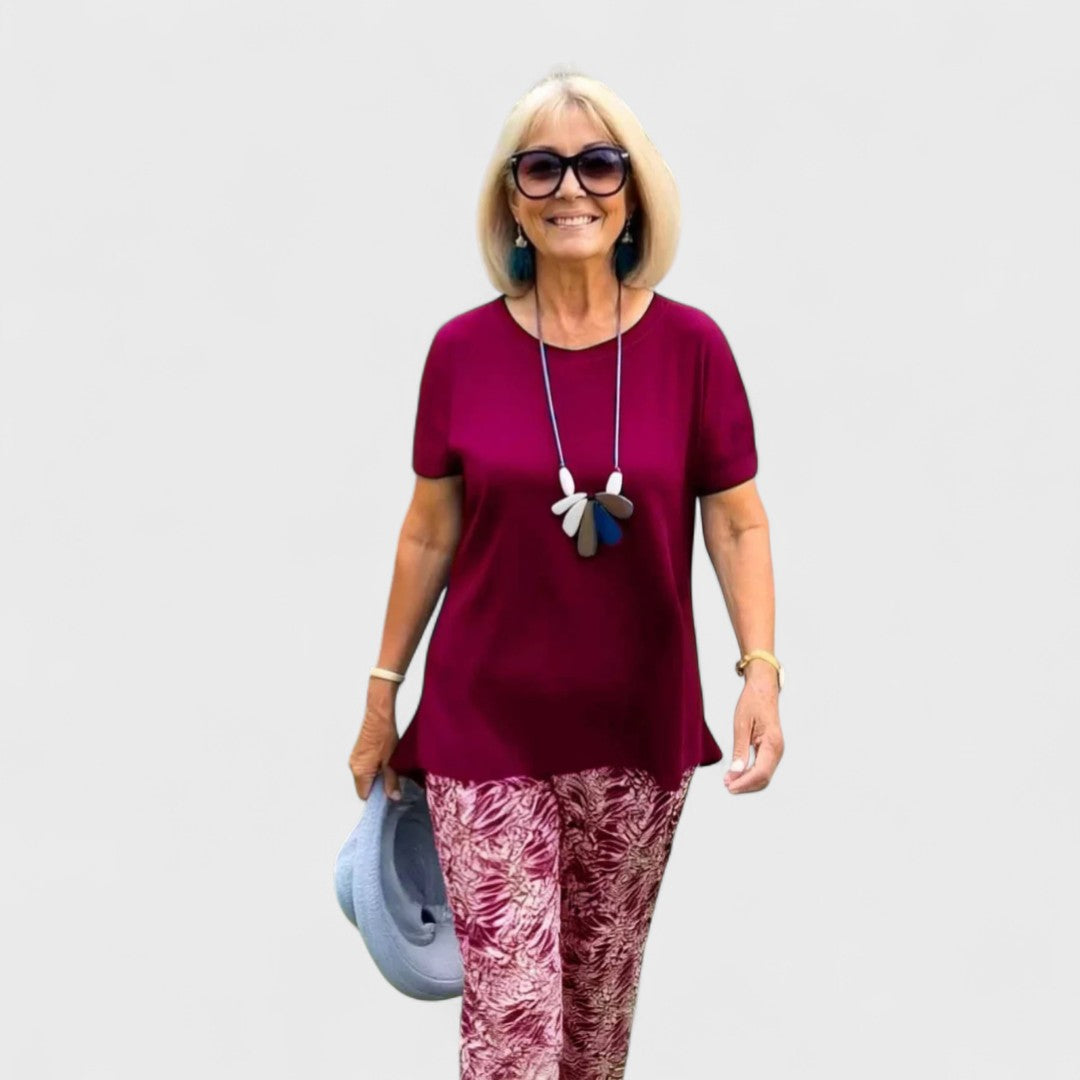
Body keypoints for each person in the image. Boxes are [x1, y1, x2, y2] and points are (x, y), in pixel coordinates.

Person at [348, 68, 785, 1080]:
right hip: (482, 729)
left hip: (635, 732)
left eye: (598, 165)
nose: (570, 189)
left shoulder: (693, 348)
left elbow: (737, 521)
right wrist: (381, 692)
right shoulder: (460, 351)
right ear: (511, 198)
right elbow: (427, 534)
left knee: (591, 1031)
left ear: (634, 193)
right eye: (540, 167)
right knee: (514, 1031)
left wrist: (760, 669)